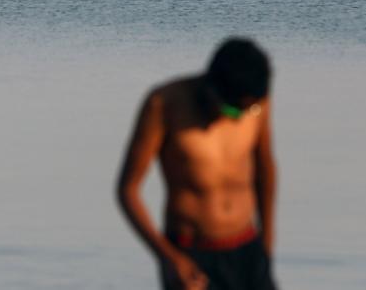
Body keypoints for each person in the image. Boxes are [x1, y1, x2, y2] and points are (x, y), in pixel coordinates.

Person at [116, 38, 277, 290]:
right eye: (233, 111)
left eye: (246, 111)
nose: (237, 119)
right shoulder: (164, 104)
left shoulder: (254, 101)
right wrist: (168, 258)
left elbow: (265, 169)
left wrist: (266, 243)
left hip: (248, 250)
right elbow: (128, 190)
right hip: (190, 258)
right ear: (211, 87)